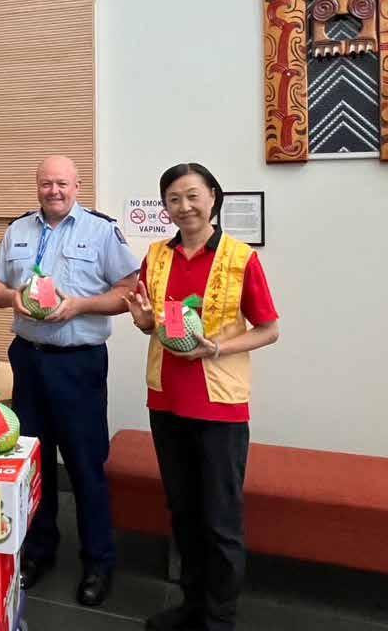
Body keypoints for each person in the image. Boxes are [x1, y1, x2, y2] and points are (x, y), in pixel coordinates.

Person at [124, 163, 279, 631]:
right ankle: (191, 606)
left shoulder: (239, 257)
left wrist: (216, 349)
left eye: (193, 195)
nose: (184, 206)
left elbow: (269, 330)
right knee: (183, 511)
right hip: (166, 400)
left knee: (220, 520)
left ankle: (218, 619)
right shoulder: (157, 255)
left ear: (213, 196)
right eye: (173, 198)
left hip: (219, 405)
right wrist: (143, 321)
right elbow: (152, 323)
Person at [0, 155, 138, 604]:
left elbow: (129, 291)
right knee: (33, 462)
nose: (54, 190)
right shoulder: (18, 230)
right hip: (28, 361)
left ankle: (98, 562)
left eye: (62, 183)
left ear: (77, 186)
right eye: (46, 183)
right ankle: (38, 551)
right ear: (37, 186)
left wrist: (79, 306)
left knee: (86, 465)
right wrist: (14, 296)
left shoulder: (101, 230)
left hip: (78, 363)